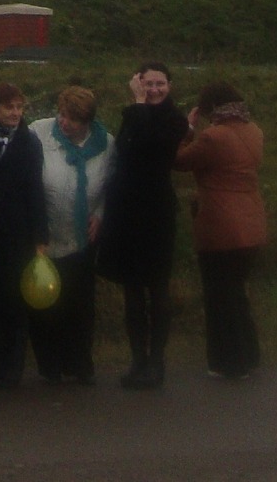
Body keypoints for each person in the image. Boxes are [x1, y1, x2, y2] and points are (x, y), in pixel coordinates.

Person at [96, 62, 188, 389]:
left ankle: (157, 361)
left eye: (159, 83)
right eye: (147, 83)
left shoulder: (174, 120)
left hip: (156, 212)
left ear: (170, 85)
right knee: (132, 287)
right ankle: (138, 358)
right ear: (138, 82)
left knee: (157, 287)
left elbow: (149, 144)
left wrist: (136, 104)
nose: (153, 89)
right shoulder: (132, 115)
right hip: (127, 211)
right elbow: (124, 149)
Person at [173, 81, 266, 382]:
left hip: (221, 226)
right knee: (237, 294)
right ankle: (249, 355)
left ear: (209, 108)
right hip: (252, 224)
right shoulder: (255, 132)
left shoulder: (214, 137)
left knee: (219, 297)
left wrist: (187, 129)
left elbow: (180, 161)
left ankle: (228, 361)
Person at [26, 85, 110, 386]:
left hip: (82, 237)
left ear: (87, 121)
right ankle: (50, 365)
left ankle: (79, 364)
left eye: (73, 119)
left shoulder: (106, 144)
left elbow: (110, 187)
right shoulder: (39, 132)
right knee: (46, 303)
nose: (64, 122)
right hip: (44, 234)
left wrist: (100, 214)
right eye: (62, 114)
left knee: (80, 303)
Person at [0, 83, 47, 389]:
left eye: (19, 107)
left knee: (17, 299)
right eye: (9, 108)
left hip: (20, 229)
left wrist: (40, 236)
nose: (16, 113)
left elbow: (36, 189)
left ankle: (13, 367)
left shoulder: (29, 142)